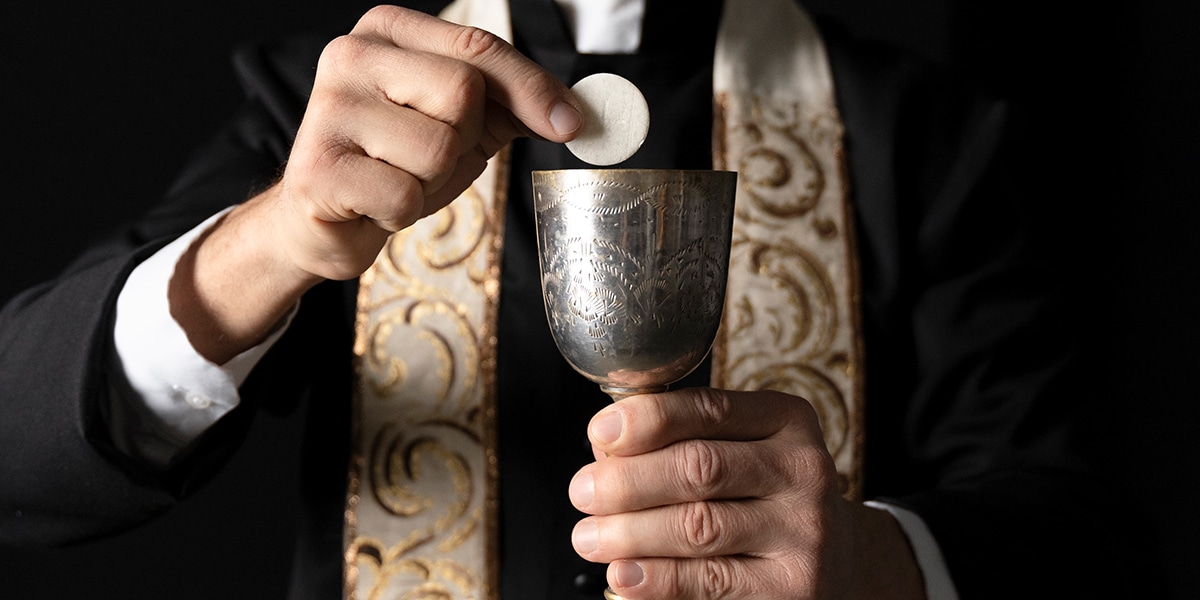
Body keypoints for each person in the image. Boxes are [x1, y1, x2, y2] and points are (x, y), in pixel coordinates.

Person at [0, 0, 1152, 598]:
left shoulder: (915, 127)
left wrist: (880, 569)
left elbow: (1092, 533)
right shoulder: (319, 99)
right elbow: (20, 447)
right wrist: (278, 233)